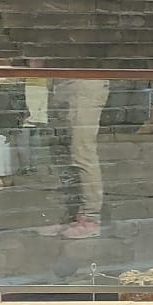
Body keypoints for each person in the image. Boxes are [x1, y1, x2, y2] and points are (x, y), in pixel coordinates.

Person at [34, 77, 108, 240]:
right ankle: (72, 215)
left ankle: (90, 219)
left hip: (83, 78)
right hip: (59, 79)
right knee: (62, 151)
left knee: (81, 150)